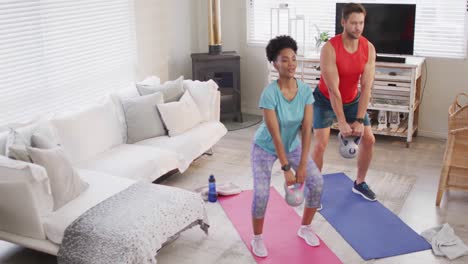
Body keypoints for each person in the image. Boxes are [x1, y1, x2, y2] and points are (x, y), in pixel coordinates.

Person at [250, 35, 323, 258]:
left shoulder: (305, 91)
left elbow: (307, 128)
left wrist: (301, 166)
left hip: (292, 144)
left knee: (317, 182)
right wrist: (286, 169)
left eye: (293, 58)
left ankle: (305, 227)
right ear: (274, 63)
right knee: (262, 193)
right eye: (284, 59)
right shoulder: (269, 94)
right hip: (265, 146)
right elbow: (275, 135)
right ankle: (257, 238)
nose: (291, 64)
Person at [312, 3, 377, 201]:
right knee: (320, 145)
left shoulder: (368, 48)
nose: (358, 27)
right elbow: (333, 89)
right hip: (324, 100)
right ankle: (314, 190)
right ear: (343, 22)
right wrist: (340, 121)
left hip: (352, 99)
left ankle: (359, 182)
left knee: (369, 139)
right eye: (353, 23)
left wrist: (358, 119)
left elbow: (366, 87)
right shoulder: (330, 49)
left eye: (361, 23)